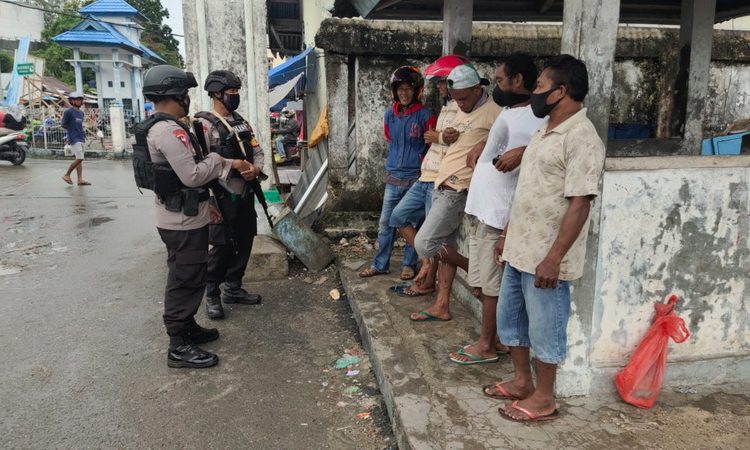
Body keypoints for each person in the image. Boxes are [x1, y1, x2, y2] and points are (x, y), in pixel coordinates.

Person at [489, 55, 605, 422]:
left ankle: (545, 397)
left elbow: (580, 204)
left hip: (545, 256)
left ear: (561, 91)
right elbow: (528, 189)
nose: (534, 93)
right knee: (512, 321)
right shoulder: (544, 131)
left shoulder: (582, 138)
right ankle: (523, 381)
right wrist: (506, 233)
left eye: (539, 87)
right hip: (519, 248)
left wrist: (554, 257)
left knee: (544, 328)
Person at [132, 65, 256, 369]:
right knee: (184, 279)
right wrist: (217, 159)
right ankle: (178, 345)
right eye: (184, 93)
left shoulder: (164, 126)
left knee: (191, 274)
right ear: (175, 95)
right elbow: (192, 174)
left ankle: (187, 327)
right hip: (182, 221)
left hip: (186, 215)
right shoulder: (169, 131)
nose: (187, 99)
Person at [448, 53, 544, 364]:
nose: (497, 85)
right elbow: (503, 136)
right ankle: (498, 339)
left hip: (500, 214)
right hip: (482, 211)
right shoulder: (510, 110)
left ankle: (487, 345)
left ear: (518, 80)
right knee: (480, 285)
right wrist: (483, 145)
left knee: (490, 287)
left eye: (500, 79)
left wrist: (525, 151)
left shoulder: (540, 117)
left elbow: (547, 151)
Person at [410, 64, 501, 321]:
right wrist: (446, 135)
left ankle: (473, 272)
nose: (459, 104)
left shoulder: (494, 112)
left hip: (458, 189)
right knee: (445, 246)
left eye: (463, 98)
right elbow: (458, 140)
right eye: (455, 98)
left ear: (477, 89)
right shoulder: (462, 108)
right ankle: (441, 305)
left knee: (425, 243)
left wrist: (485, 143)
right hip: (442, 184)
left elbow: (505, 142)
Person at [388, 54, 467, 296]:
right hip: (425, 176)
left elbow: (459, 140)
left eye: (444, 81)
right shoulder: (446, 107)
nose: (441, 86)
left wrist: (438, 137)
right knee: (398, 217)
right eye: (440, 82)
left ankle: (428, 279)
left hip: (440, 180)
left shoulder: (464, 109)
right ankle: (429, 262)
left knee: (434, 236)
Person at [196, 70, 264, 320]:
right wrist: (232, 165)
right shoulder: (202, 125)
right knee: (223, 245)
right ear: (216, 94)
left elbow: (256, 150)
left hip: (245, 191)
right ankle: (212, 291)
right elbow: (201, 162)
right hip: (219, 194)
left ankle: (233, 287)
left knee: (245, 238)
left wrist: (255, 169)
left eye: (237, 92)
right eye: (231, 92)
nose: (235, 96)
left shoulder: (241, 122)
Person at [359, 66, 436, 281]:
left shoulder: (425, 116)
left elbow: (431, 147)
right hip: (393, 179)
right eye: (400, 89)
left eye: (408, 89)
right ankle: (380, 264)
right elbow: (389, 138)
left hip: (416, 180)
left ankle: (409, 264)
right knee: (386, 224)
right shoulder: (389, 114)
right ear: (394, 91)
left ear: (417, 91)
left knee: (411, 225)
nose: (404, 93)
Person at [61, 91, 90, 186]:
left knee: (79, 160)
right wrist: (71, 131)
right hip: (74, 138)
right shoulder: (68, 112)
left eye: (80, 99)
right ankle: (67, 174)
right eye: (77, 99)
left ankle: (80, 179)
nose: (79, 101)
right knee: (80, 158)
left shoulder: (81, 113)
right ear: (72, 101)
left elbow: (80, 125)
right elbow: (63, 124)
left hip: (81, 137)